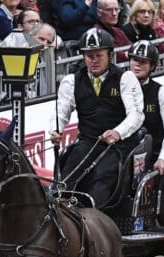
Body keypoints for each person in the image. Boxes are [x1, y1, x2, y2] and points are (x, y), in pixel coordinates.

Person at [51, 28, 144, 209]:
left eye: (98, 56)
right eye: (88, 56)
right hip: (87, 141)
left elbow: (136, 114)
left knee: (102, 177)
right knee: (66, 177)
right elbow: (61, 112)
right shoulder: (71, 82)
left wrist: (118, 132)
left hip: (118, 146)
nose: (93, 60)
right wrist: (56, 129)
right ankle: (58, 212)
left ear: (109, 55)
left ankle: (91, 217)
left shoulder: (125, 78)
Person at [127, 39, 164, 227]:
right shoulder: (120, 90)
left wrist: (163, 158)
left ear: (152, 66)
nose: (137, 65)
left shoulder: (160, 93)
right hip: (128, 162)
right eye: (134, 60)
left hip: (156, 160)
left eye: (143, 62)